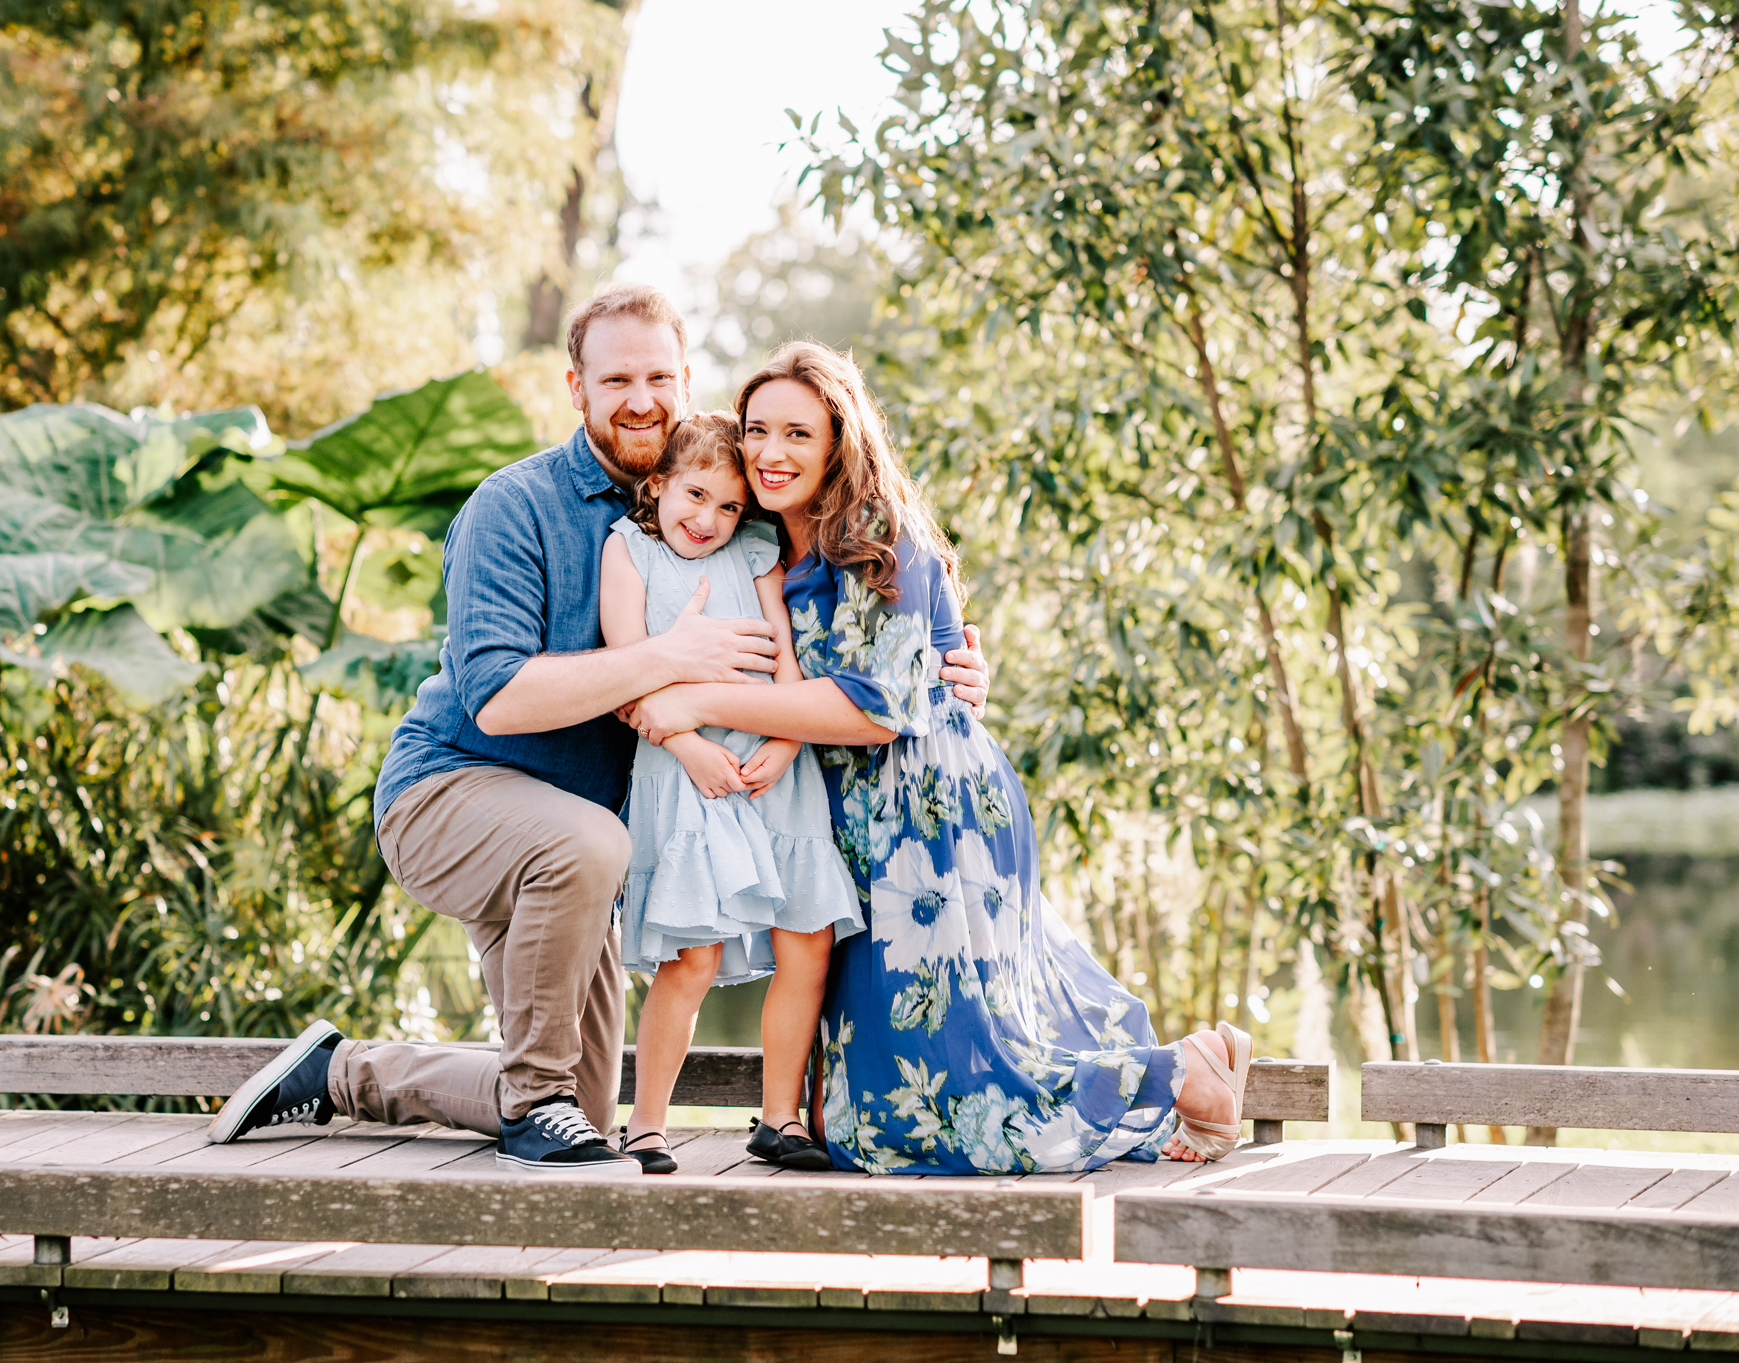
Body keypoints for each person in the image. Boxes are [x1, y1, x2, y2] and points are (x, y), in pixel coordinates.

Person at [206, 285, 992, 1177]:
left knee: (576, 1107)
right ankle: (531, 1101)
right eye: (616, 377)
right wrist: (670, 656)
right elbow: (498, 698)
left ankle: (345, 1072)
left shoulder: (726, 490)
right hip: (453, 792)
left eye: (659, 374)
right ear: (576, 387)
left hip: (585, 846)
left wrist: (948, 658)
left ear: (688, 381)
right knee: (585, 863)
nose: (641, 397)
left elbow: (850, 574)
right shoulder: (514, 507)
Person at [622, 342, 1251, 1172]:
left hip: (926, 813)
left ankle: (1180, 1074)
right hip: (851, 816)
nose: (773, 453)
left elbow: (877, 708)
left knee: (956, 1092)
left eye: (799, 435)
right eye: (759, 431)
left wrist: (693, 704)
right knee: (879, 1108)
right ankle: (1172, 1075)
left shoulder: (876, 534)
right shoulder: (766, 534)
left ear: (839, 441)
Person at [602, 411, 862, 1175]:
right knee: (694, 957)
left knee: (805, 938)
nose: (708, 519)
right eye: (695, 495)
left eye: (726, 506)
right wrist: (688, 747)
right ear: (658, 485)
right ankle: (646, 1124)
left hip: (773, 764)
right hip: (684, 769)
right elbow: (627, 667)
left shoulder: (753, 553)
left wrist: (787, 741)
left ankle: (780, 1116)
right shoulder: (631, 553)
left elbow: (784, 653)